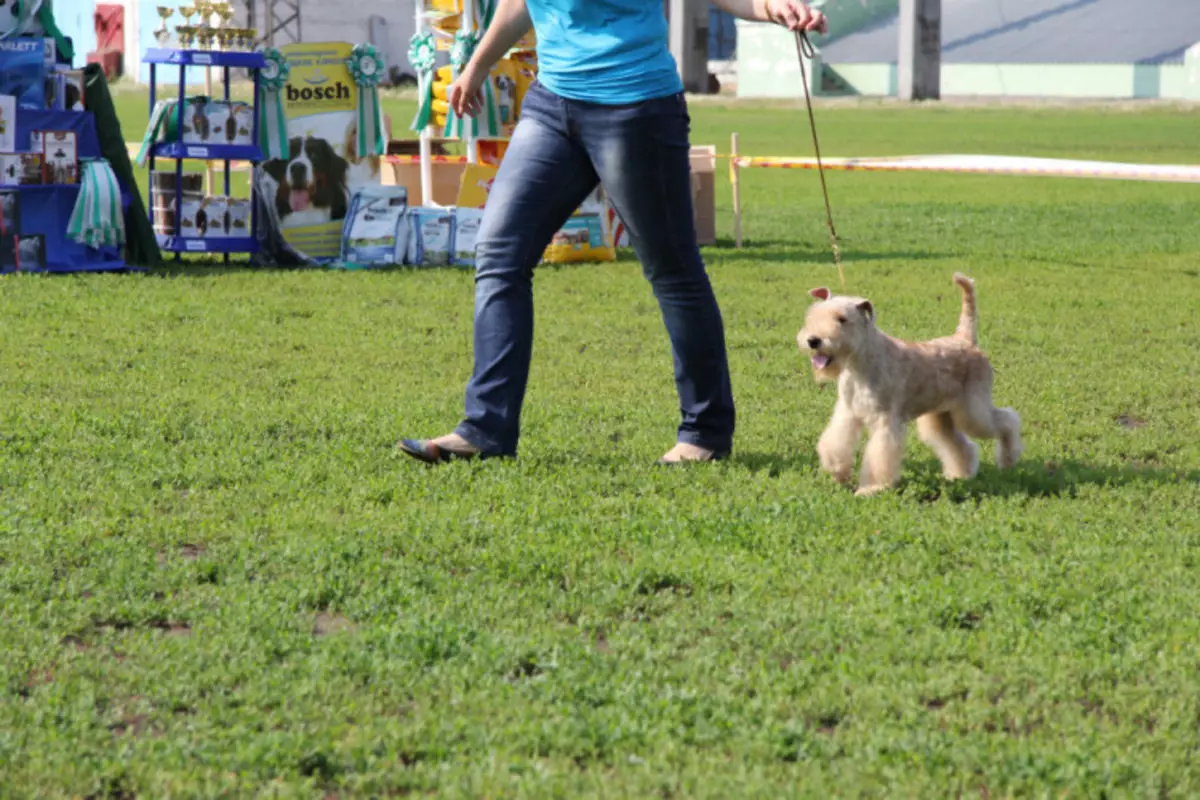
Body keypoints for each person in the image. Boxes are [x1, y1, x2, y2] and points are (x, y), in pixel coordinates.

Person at [399, 0, 828, 465]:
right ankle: (485, 429)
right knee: (499, 255)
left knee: (673, 272)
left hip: (636, 107)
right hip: (551, 104)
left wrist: (769, 6)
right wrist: (475, 66)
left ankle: (705, 432)